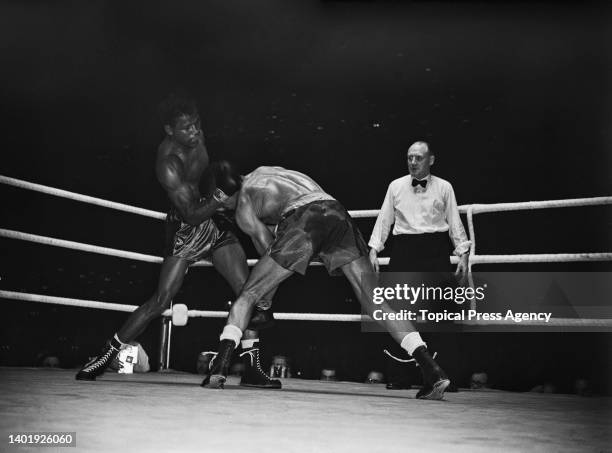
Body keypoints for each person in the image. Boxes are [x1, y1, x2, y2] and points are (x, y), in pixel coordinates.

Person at [75, 96, 279, 388]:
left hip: (216, 223)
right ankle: (105, 357)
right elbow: (192, 215)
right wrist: (221, 195)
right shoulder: (168, 163)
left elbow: (207, 184)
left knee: (249, 292)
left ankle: (251, 368)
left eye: (197, 124)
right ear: (170, 130)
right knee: (161, 300)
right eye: (186, 128)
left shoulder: (197, 136)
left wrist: (219, 193)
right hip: (188, 227)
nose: (195, 132)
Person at [201, 166, 450, 400]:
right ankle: (433, 370)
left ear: (220, 195)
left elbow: (270, 248)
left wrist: (265, 304)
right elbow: (315, 203)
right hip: (336, 213)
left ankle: (220, 367)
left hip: (304, 220)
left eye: (218, 203)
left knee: (248, 294)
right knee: (377, 304)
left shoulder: (244, 207)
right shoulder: (266, 171)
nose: (221, 209)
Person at [368, 141, 471, 390]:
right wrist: (374, 248)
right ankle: (401, 376)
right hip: (404, 250)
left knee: (440, 312)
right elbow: (385, 219)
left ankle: (441, 375)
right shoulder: (395, 186)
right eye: (410, 158)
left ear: (431, 160)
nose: (413, 162)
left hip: (435, 250)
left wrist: (463, 252)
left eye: (418, 158)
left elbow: (454, 220)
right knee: (400, 311)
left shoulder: (445, 187)